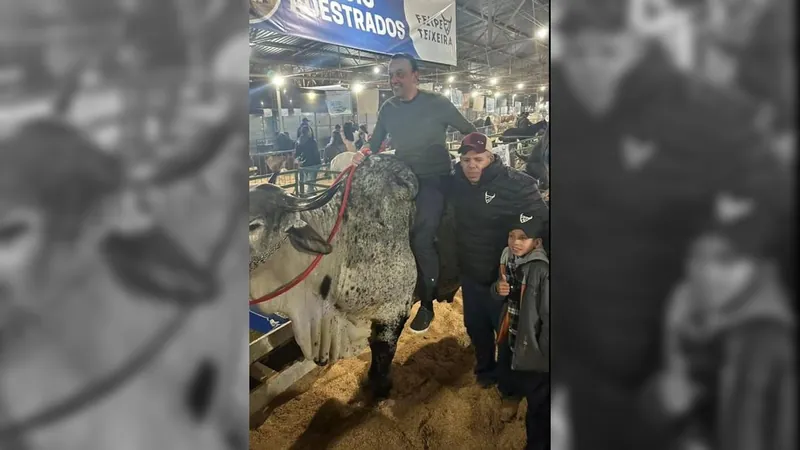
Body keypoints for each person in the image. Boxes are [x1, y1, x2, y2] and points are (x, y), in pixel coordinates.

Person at [551, 1, 788, 449]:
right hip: (588, 361)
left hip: (670, 356)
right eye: (580, 52)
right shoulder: (563, 109)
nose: (592, 67)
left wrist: (728, 252)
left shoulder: (698, 109)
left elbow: (768, 191)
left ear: (636, 44)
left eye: (607, 50)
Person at [641, 209, 794, 450]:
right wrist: (664, 403)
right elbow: (677, 409)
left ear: (754, 266)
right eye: (697, 257)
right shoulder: (682, 314)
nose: (707, 272)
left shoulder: (772, 341)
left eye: (726, 260)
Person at [352, 53, 478, 333]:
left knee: (421, 237)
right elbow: (373, 144)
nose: (394, 79)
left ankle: (427, 303)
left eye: (399, 73)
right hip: (400, 177)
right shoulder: (387, 108)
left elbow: (469, 131)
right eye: (391, 75)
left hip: (434, 179)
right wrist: (361, 155)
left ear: (415, 76)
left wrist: (474, 157)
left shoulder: (437, 103)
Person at [450, 132, 548, 390]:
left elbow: (539, 215)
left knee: (506, 333)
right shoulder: (455, 182)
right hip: (471, 274)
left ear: (491, 158)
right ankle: (484, 370)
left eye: (478, 159)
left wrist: (520, 239)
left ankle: (508, 385)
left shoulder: (517, 184)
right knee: (475, 326)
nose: (472, 165)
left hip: (505, 274)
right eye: (466, 159)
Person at [492, 214, 550, 450]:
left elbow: (548, 317)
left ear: (536, 243)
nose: (515, 242)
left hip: (533, 349)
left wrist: (544, 357)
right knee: (511, 373)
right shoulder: (509, 259)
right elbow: (499, 292)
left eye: (523, 238)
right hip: (513, 335)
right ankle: (513, 398)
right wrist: (498, 289)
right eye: (512, 236)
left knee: (539, 405)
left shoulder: (540, 271)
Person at [294, 126, 321, 195]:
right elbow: (316, 153)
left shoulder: (298, 142)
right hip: (312, 164)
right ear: (308, 132)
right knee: (311, 183)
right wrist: (319, 163)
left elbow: (296, 154)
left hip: (302, 165)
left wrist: (299, 161)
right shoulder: (312, 142)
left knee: (302, 181)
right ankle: (310, 195)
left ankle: (302, 194)